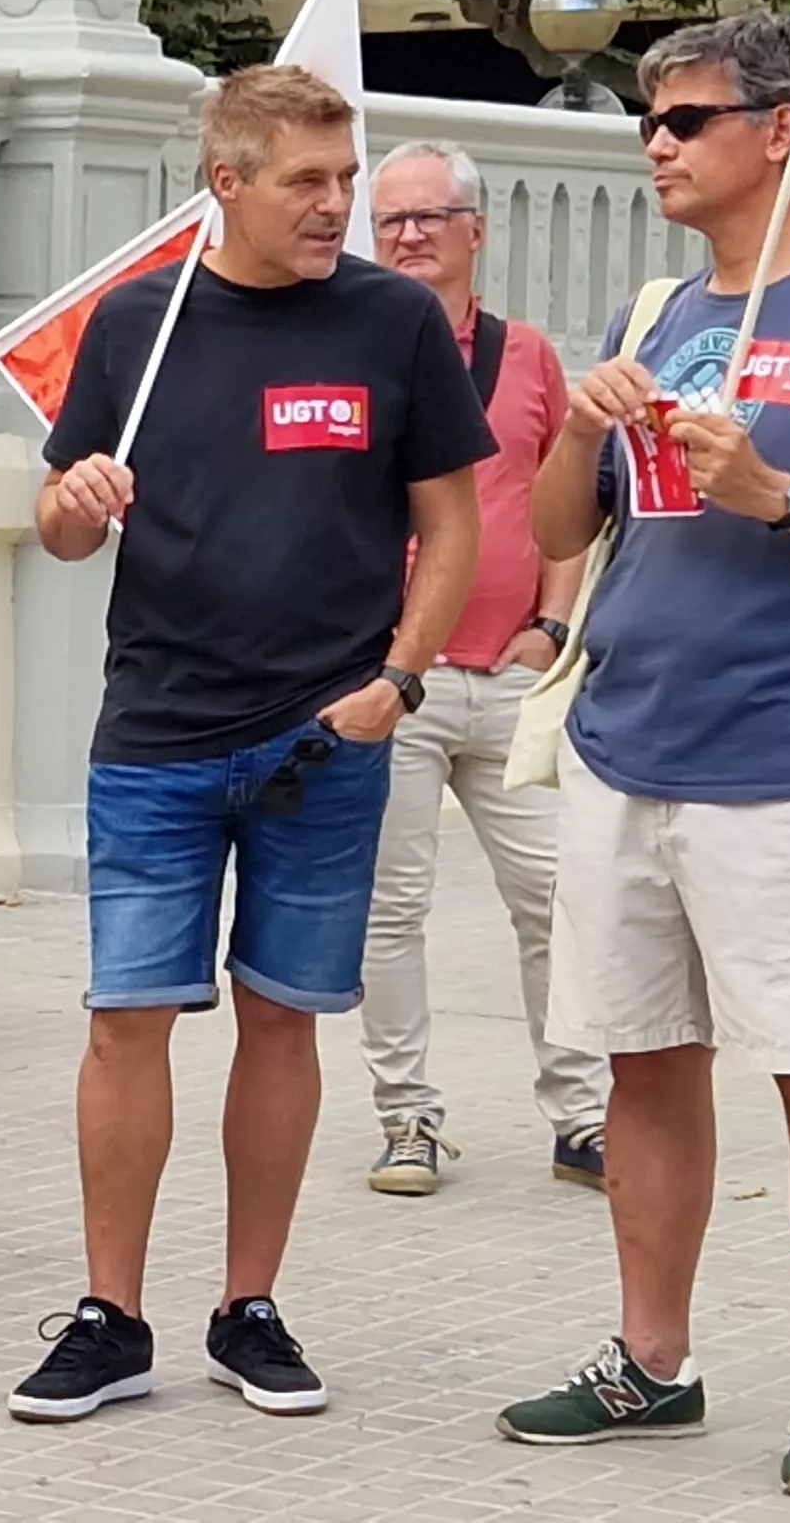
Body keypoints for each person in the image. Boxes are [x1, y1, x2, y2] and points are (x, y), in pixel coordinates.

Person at [495, 14, 790, 1504]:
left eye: (689, 118)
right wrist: (581, 424)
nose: (658, 142)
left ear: (779, 127)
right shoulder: (657, 311)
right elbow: (567, 535)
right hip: (628, 744)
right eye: (651, 118)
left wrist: (779, 495)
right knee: (644, 1067)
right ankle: (652, 1357)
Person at [12, 65, 491, 1426]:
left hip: (328, 738)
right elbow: (56, 525)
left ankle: (250, 1307)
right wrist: (75, 498)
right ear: (225, 183)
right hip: (157, 730)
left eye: (346, 178)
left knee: (285, 1021)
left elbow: (448, 527)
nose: (339, 206)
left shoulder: (394, 323)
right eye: (308, 182)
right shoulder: (134, 323)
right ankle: (112, 1316)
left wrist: (398, 680)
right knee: (127, 1021)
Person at [354, 140, 612, 1198]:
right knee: (389, 909)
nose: (409, 235)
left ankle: (585, 1118)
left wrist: (553, 625)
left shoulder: (528, 355)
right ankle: (406, 1117)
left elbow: (564, 504)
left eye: (430, 217)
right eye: (392, 221)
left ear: (475, 230)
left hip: (509, 676)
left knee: (561, 897)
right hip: (396, 677)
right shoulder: (352, 348)